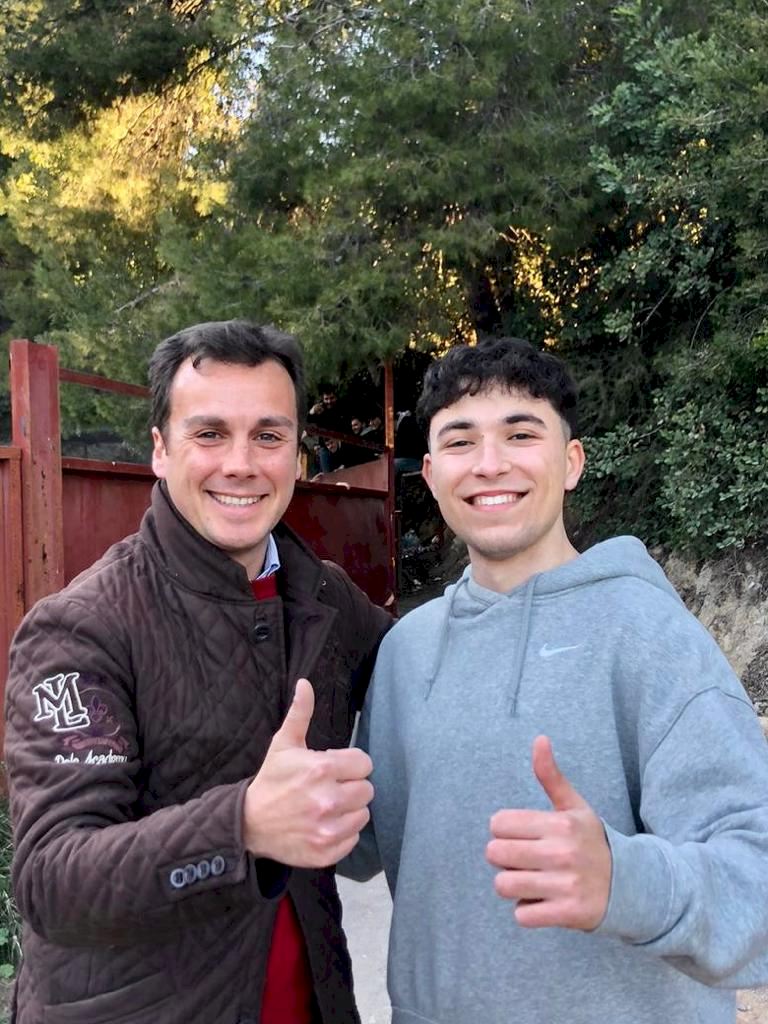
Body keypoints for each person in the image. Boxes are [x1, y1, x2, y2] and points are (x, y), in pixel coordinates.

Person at [343, 337, 768, 1024]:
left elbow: (756, 882)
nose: (490, 463)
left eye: (521, 434)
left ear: (571, 462)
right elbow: (358, 842)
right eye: (461, 441)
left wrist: (625, 882)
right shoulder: (405, 651)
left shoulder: (650, 635)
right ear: (431, 472)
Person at [5, 320, 392, 1024]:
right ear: (160, 449)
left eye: (268, 436)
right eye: (209, 433)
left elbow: (429, 672)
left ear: (297, 456)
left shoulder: (326, 599)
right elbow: (52, 880)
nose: (241, 464)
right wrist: (242, 826)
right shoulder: (80, 629)